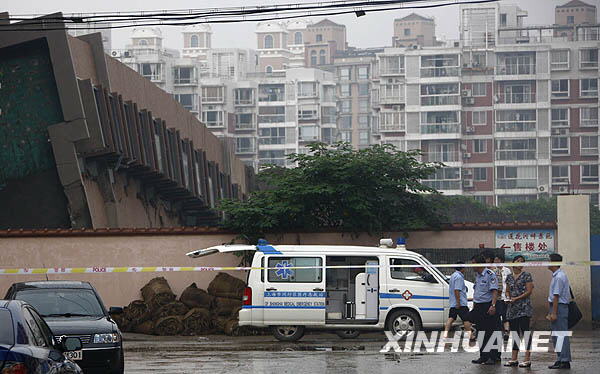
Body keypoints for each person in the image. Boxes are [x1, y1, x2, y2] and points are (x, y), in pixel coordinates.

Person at [504, 255, 534, 368]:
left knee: (525, 332)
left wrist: (516, 298)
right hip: (512, 308)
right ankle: (514, 358)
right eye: (518, 261)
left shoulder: (526, 275)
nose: (520, 263)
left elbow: (529, 290)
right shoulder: (509, 277)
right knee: (515, 332)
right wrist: (508, 297)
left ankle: (527, 358)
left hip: (524, 307)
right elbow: (507, 290)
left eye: (522, 261)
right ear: (513, 262)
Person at [469, 253, 499, 365]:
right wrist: (474, 305)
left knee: (490, 332)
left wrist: (493, 305)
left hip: (487, 306)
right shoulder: (478, 275)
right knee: (480, 332)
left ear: (479, 264)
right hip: (478, 306)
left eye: (473, 264)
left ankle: (493, 356)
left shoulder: (490, 274)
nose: (472, 266)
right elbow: (477, 292)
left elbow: (494, 291)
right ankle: (483, 356)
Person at [547, 253, 572, 370]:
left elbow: (556, 296)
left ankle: (565, 360)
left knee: (561, 334)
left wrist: (554, 313)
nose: (547, 262)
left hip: (559, 307)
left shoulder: (559, 277)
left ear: (554, 263)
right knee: (556, 335)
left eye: (549, 260)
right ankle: (560, 358)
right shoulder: (556, 275)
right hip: (556, 306)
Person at [443, 262, 473, 339]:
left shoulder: (453, 276)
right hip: (460, 303)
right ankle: (471, 336)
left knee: (451, 318)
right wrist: (458, 302)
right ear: (462, 268)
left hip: (453, 302)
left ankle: (445, 334)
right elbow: (457, 290)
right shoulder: (459, 277)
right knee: (466, 319)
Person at [494, 253, 512, 340]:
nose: (495, 261)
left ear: (500, 260)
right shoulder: (494, 271)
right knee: (497, 315)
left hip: (505, 296)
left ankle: (506, 332)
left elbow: (510, 283)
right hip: (497, 297)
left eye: (497, 260)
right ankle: (498, 331)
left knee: (505, 315)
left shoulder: (507, 270)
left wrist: (509, 296)